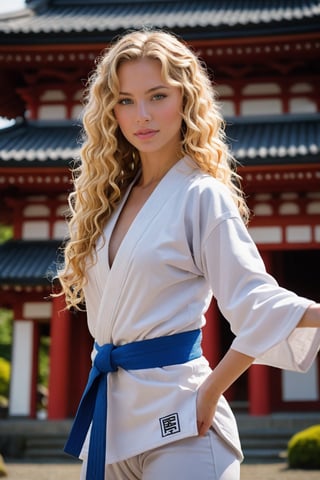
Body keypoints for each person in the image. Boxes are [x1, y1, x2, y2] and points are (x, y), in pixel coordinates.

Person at [57, 29, 320, 480]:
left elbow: (256, 302)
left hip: (183, 422)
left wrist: (211, 391)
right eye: (125, 100)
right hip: (111, 421)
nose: (142, 115)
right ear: (110, 111)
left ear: (186, 99)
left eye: (157, 96)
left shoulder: (203, 196)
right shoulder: (107, 201)